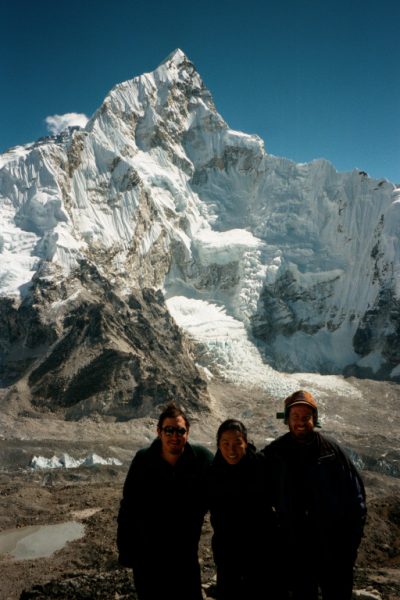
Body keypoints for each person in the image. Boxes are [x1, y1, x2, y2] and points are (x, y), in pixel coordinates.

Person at [262, 390, 367, 600]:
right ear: (287, 419)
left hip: (334, 549)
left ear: (314, 419)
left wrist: (349, 546)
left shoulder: (332, 452)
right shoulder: (275, 453)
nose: (300, 422)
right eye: (295, 417)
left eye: (306, 417)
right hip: (295, 551)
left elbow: (357, 501)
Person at [117, 402, 213, 600]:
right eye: (169, 430)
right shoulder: (143, 460)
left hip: (184, 558)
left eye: (180, 430)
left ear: (188, 432)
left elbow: (227, 475)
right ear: (159, 432)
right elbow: (128, 507)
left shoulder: (201, 459)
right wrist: (126, 549)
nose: (174, 436)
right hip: (148, 559)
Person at [206, 419, 280, 600]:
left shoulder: (261, 466)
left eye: (237, 443)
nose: (232, 450)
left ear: (245, 443)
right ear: (218, 445)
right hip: (227, 555)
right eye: (226, 444)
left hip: (261, 553)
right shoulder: (213, 472)